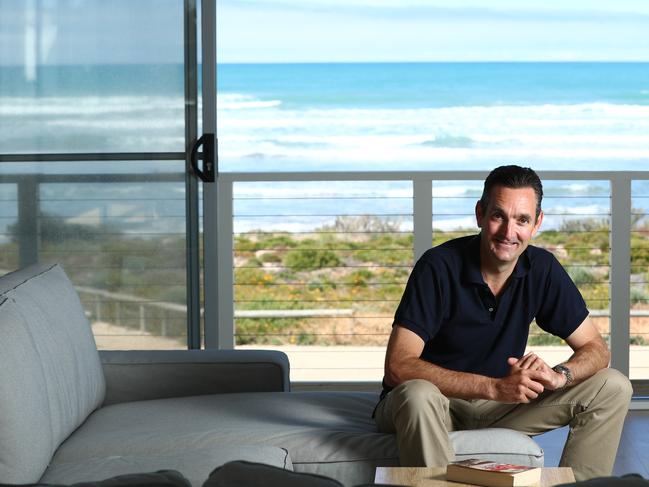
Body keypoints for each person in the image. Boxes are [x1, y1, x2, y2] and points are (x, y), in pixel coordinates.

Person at [374, 165, 632, 481]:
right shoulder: (438, 266)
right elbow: (399, 366)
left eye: (522, 220)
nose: (509, 232)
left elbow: (596, 349)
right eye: (499, 216)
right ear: (480, 214)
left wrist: (558, 376)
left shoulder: (543, 269)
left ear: (537, 222)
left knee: (613, 385)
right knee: (418, 394)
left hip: (499, 406)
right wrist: (494, 387)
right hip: (432, 404)